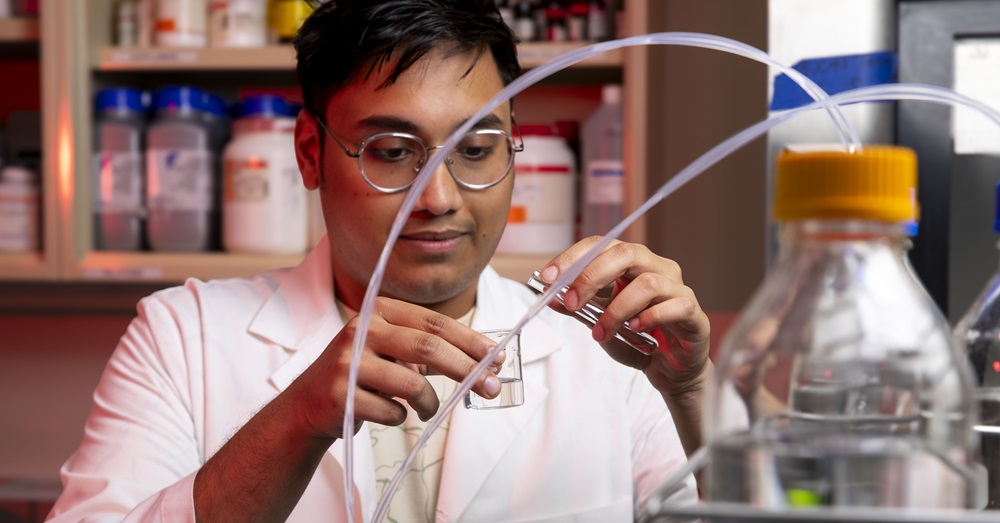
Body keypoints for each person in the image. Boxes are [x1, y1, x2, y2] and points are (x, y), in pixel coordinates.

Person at [47, 0, 711, 521]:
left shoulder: (605, 346)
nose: (441, 199)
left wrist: (688, 392)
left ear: (515, 146)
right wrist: (297, 420)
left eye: (476, 149)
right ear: (310, 153)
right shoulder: (183, 337)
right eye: (392, 151)